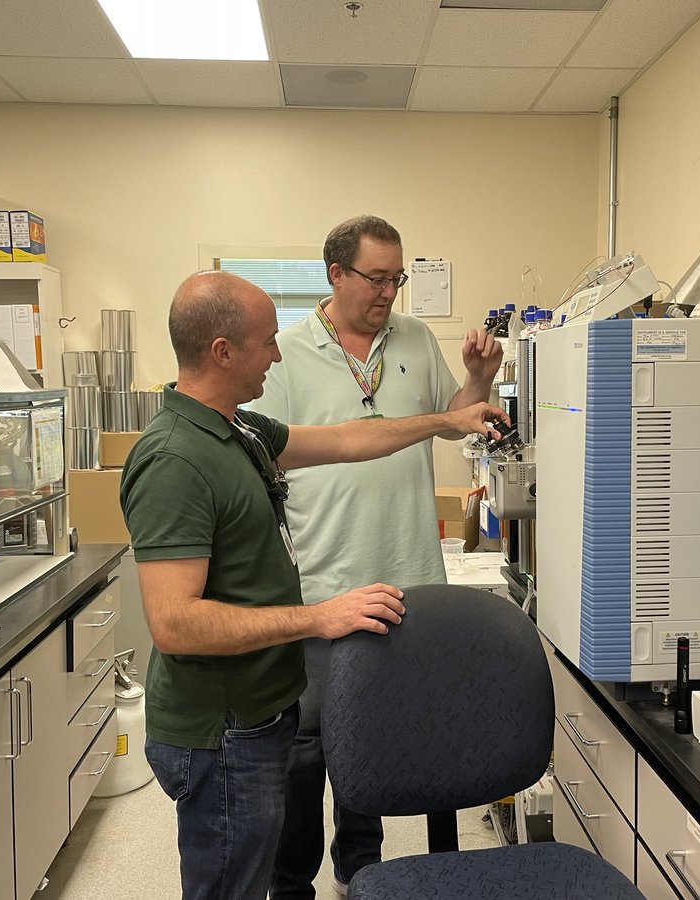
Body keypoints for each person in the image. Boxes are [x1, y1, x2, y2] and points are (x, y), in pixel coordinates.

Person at [119, 269, 507, 900]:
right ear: (222, 351)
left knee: (259, 864)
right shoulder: (175, 459)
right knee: (231, 884)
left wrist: (441, 422)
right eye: (266, 341)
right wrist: (316, 617)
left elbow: (350, 438)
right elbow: (175, 622)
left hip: (257, 711)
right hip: (220, 730)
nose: (278, 353)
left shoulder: (236, 431)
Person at [250, 215, 503, 898]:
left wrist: (477, 381)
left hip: (406, 580)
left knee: (372, 746)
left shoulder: (416, 340)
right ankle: (291, 881)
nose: (390, 291)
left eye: (398, 278)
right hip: (320, 585)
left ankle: (359, 869)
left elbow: (455, 420)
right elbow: (271, 450)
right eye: (377, 278)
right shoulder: (289, 353)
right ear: (335, 274)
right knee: (304, 753)